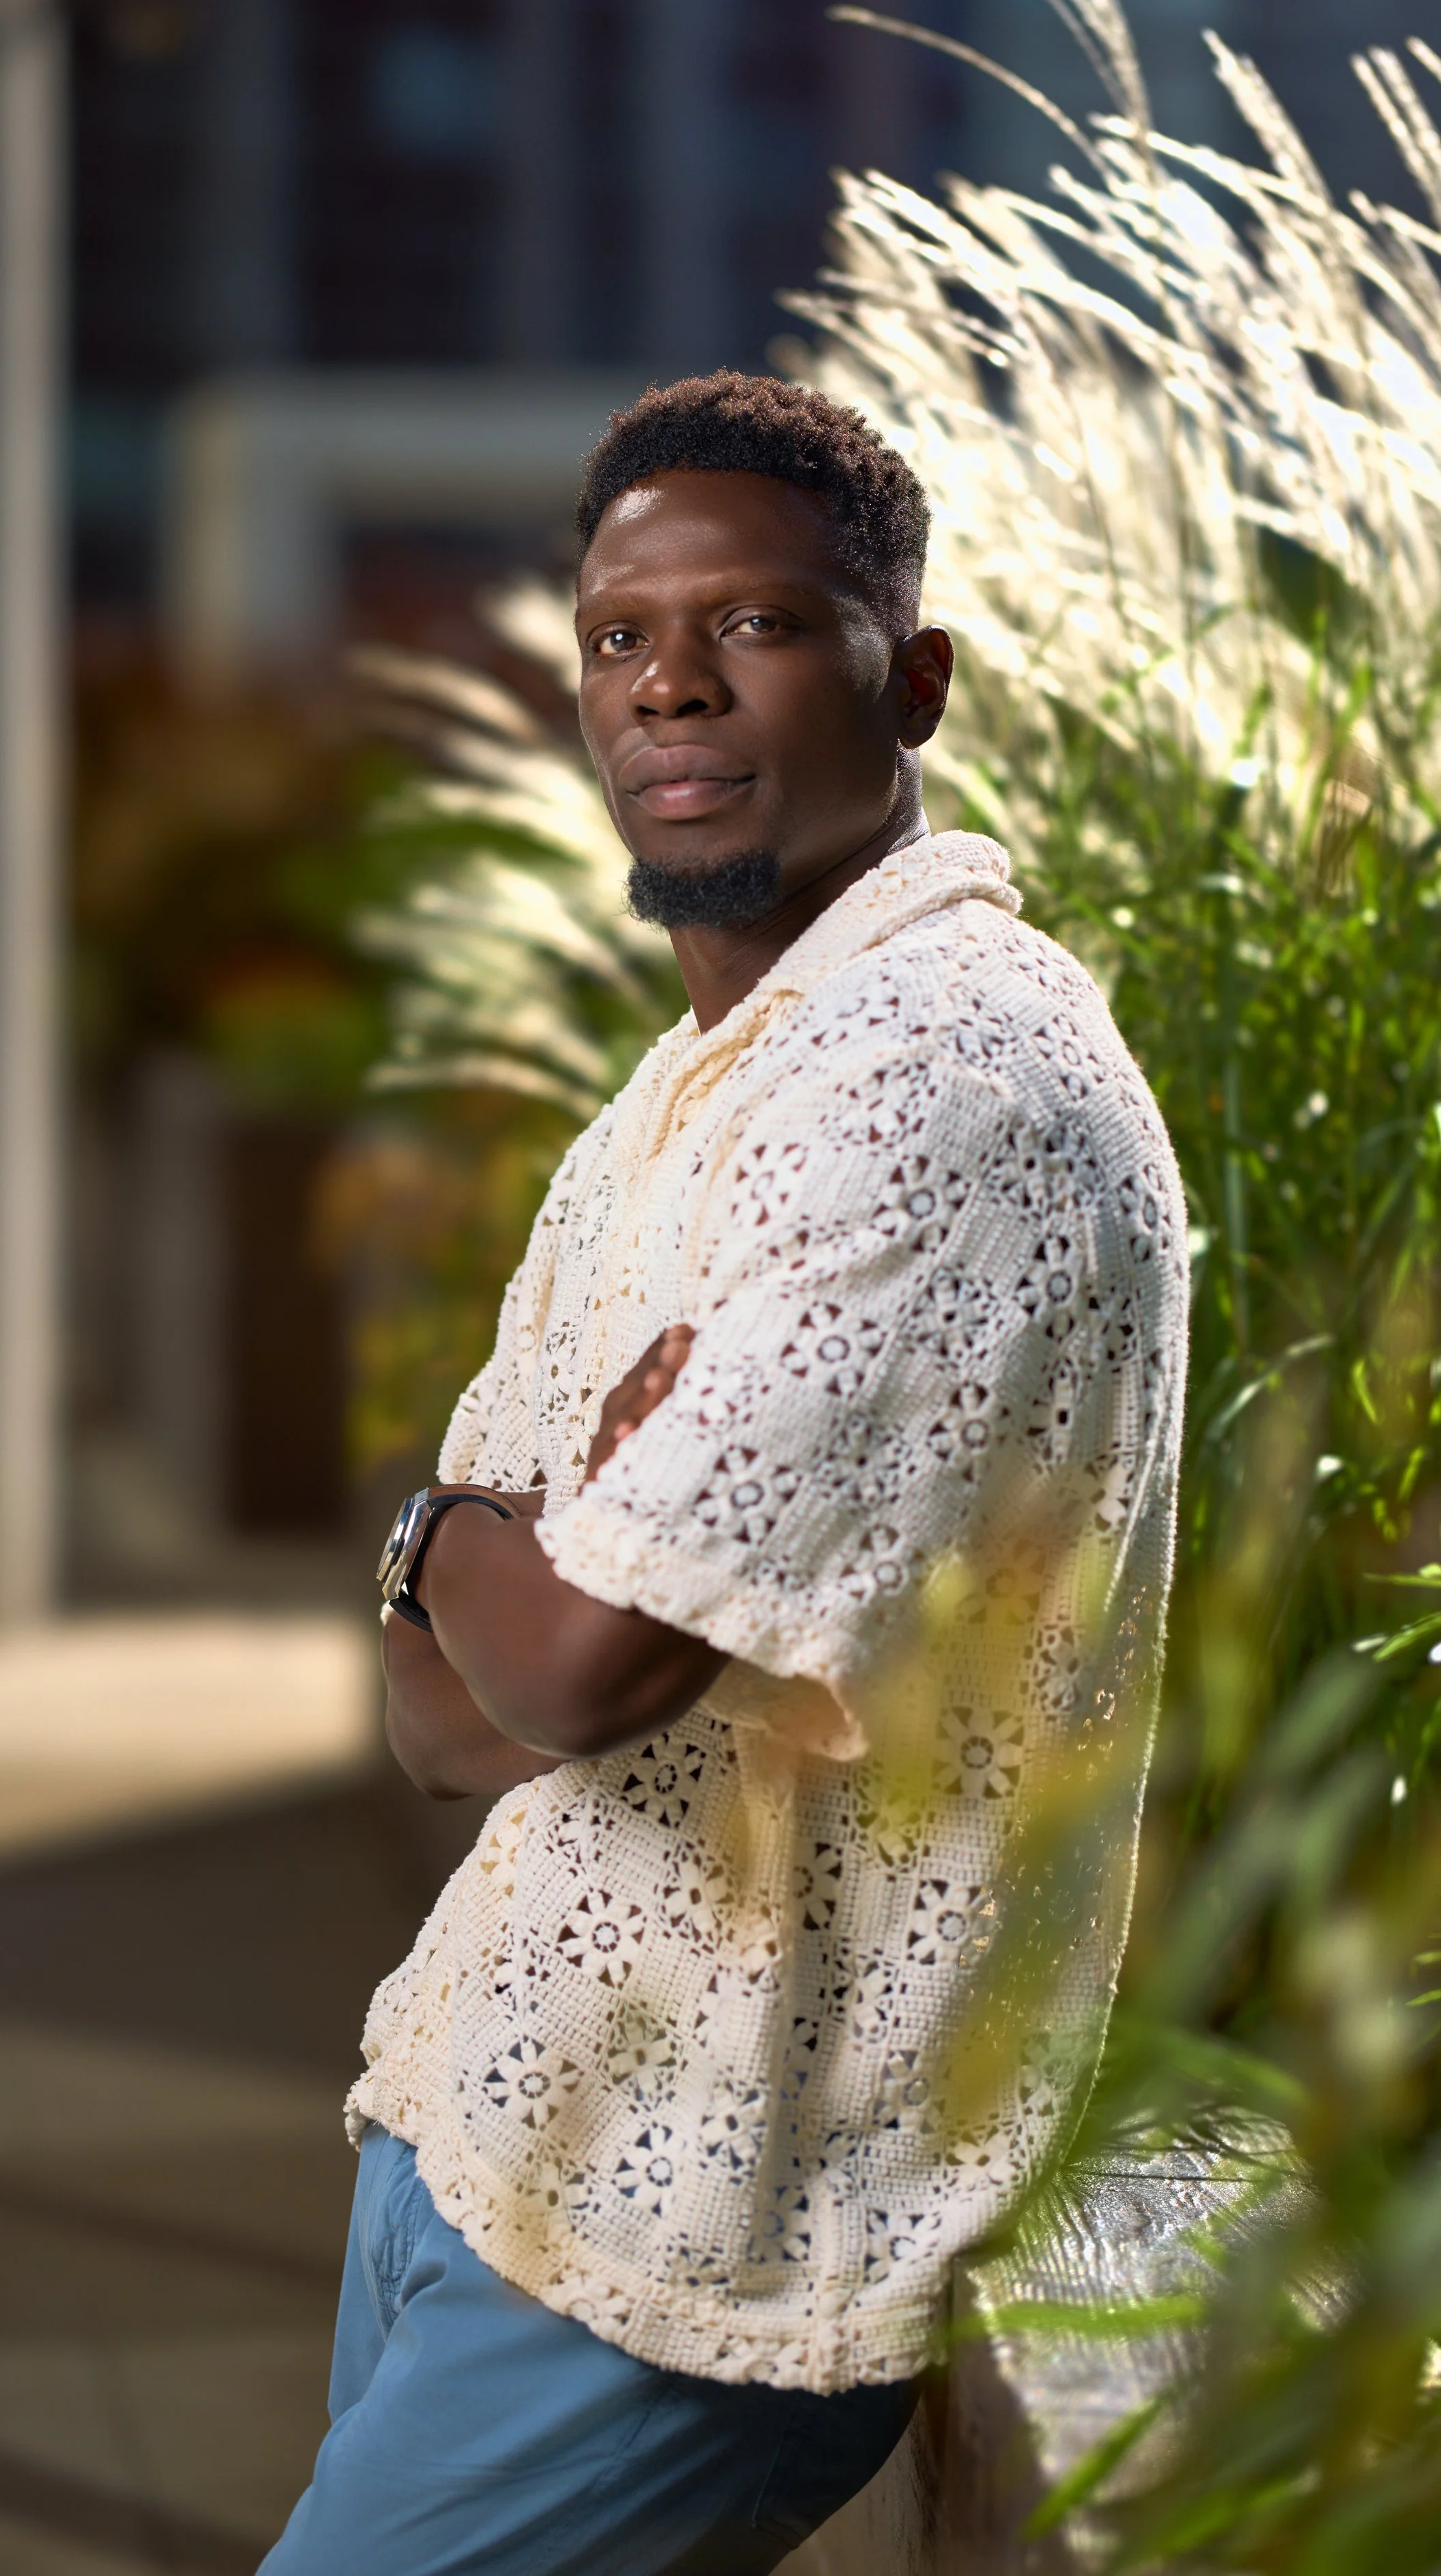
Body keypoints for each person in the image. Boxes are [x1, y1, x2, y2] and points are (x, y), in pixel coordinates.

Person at [260, 373, 1188, 2575]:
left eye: (753, 624)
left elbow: (564, 1676)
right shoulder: (682, 1098)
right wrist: (466, 1546)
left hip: (702, 2225)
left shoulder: (937, 1087)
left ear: (914, 675)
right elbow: (437, 1715)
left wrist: (472, 1541)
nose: (665, 681)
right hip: (483, 2120)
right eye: (614, 635)